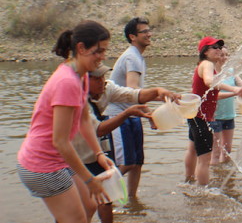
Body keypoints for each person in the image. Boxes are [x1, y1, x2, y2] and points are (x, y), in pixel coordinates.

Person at [16, 20, 114, 223]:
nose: (102, 57)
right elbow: (60, 141)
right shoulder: (67, 82)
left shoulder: (81, 75)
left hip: (56, 161)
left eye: (104, 51)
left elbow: (84, 119)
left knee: (90, 205)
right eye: (98, 51)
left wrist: (98, 154)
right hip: (41, 165)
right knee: (76, 219)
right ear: (81, 48)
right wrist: (89, 179)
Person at [73, 63, 180, 223]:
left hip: (97, 151)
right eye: (96, 78)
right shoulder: (77, 99)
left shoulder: (107, 88)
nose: (102, 81)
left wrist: (160, 91)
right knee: (81, 208)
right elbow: (99, 130)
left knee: (105, 196)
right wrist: (127, 113)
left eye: (102, 76)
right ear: (84, 81)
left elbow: (135, 95)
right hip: (75, 155)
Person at [183, 36, 242, 185]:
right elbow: (209, 82)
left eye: (219, 47)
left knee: (192, 150)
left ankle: (188, 180)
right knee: (205, 159)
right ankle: (204, 192)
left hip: (195, 115)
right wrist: (233, 88)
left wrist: (234, 92)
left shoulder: (203, 65)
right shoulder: (207, 65)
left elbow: (213, 94)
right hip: (202, 118)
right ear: (205, 51)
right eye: (214, 47)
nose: (218, 50)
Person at [103, 16, 152, 199]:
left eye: (149, 30)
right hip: (119, 115)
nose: (149, 34)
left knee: (137, 162)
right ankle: (100, 195)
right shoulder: (132, 56)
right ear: (133, 36)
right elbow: (133, 88)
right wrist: (150, 112)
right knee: (126, 164)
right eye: (144, 31)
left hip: (132, 114)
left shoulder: (137, 55)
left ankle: (132, 201)